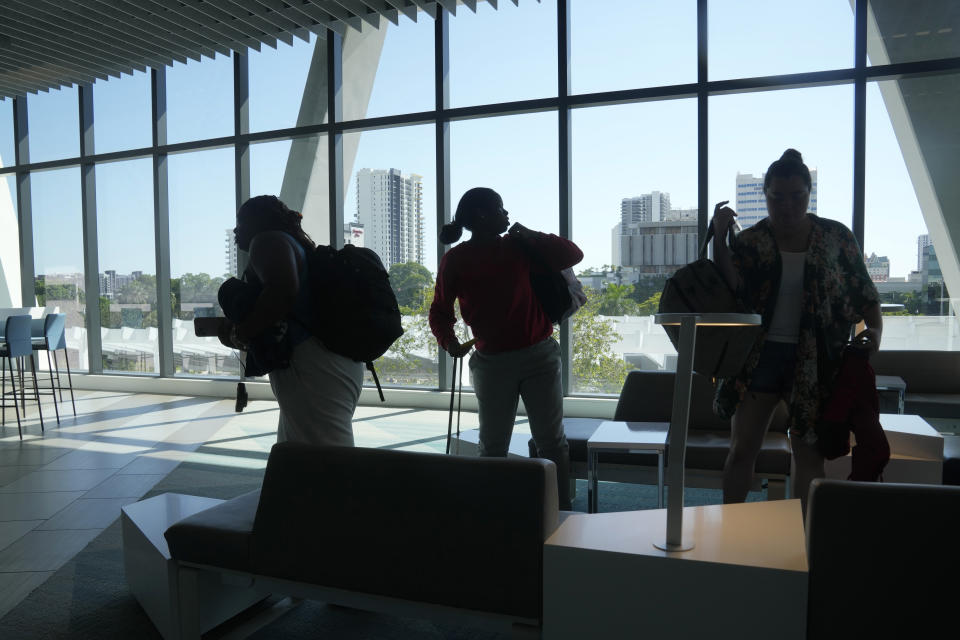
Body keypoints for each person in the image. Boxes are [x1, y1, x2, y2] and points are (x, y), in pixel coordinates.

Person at [712, 149, 882, 513]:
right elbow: (731, 288)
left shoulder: (836, 237)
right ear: (765, 196)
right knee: (742, 450)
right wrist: (718, 238)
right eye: (777, 197)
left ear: (809, 193)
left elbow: (864, 291)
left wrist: (876, 331)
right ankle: (730, 529)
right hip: (759, 358)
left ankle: (803, 541)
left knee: (808, 453)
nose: (787, 205)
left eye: (796, 196)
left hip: (817, 360)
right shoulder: (752, 241)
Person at [429, 187, 583, 510]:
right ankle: (501, 512)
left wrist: (529, 234)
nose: (507, 214)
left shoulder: (517, 245)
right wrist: (449, 341)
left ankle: (560, 510)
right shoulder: (456, 259)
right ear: (483, 217)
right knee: (501, 445)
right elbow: (440, 311)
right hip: (499, 361)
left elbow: (572, 254)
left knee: (544, 442)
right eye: (501, 208)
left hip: (530, 356)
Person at [218, 195, 364, 446]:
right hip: (329, 359)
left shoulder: (266, 241)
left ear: (257, 222)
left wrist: (242, 332)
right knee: (299, 449)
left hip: (310, 362)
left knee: (326, 457)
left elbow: (282, 292)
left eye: (241, 222)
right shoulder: (295, 244)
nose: (235, 230)